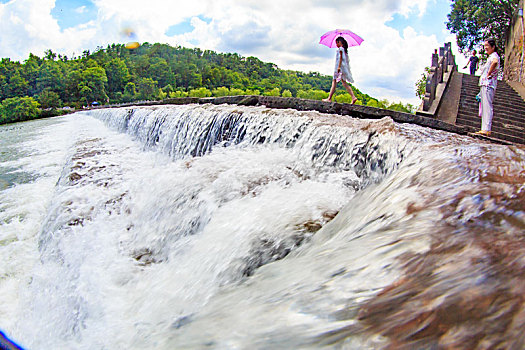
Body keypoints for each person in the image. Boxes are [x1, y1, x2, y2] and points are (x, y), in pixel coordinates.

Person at [475, 38, 500, 137]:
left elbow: (494, 62)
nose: (485, 47)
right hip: (486, 84)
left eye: (487, 46)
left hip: (488, 84)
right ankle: (484, 128)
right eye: (484, 45)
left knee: (487, 106)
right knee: (485, 106)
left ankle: (486, 129)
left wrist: (489, 73)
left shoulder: (494, 56)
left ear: (493, 47)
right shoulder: (491, 56)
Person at [322, 37, 358, 104]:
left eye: (337, 43)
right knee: (344, 83)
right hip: (343, 68)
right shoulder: (344, 50)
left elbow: (341, 58)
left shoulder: (340, 49)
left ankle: (329, 98)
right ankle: (353, 97)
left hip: (339, 68)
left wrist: (338, 67)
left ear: (339, 42)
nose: (336, 45)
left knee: (334, 81)